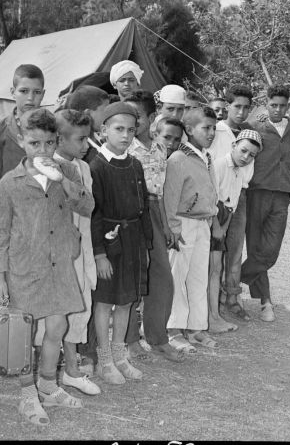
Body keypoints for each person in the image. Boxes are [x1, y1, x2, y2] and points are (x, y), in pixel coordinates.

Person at [0, 108, 86, 425]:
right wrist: (0, 275)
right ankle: (26, 394)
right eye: (35, 143)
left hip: (58, 262)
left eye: (48, 143)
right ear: (22, 142)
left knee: (57, 326)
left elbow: (88, 206)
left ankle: (47, 384)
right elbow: (0, 230)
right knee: (23, 331)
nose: (42, 151)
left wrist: (67, 184)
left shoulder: (68, 171)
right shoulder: (10, 182)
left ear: (56, 141)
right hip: (24, 266)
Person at [89, 102, 153, 384]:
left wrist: (146, 244)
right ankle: (104, 360)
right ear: (104, 131)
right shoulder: (97, 167)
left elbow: (144, 208)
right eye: (118, 129)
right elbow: (94, 214)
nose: (125, 135)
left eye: (130, 130)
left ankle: (120, 355)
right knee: (104, 302)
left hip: (132, 240)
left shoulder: (135, 164)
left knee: (127, 300)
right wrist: (99, 254)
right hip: (108, 242)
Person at [124, 91, 185, 363]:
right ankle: (129, 341)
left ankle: (158, 339)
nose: (131, 122)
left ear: (151, 117)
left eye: (137, 117)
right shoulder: (124, 148)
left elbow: (160, 190)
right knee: (133, 280)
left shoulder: (160, 147)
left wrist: (168, 225)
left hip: (154, 211)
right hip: (131, 211)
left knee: (162, 278)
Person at [240, 84, 290, 322]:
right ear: (266, 102)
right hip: (257, 192)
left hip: (282, 195)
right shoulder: (254, 126)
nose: (277, 110)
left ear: (289, 106)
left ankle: (232, 282)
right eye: (273, 105)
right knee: (256, 248)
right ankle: (265, 301)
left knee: (270, 252)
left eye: (282, 106)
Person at [163, 106, 220, 352]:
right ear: (189, 129)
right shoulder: (178, 159)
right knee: (177, 277)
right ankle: (173, 329)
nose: (211, 133)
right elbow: (170, 196)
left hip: (202, 223)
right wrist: (174, 228)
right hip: (183, 223)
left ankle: (196, 327)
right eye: (206, 128)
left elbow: (211, 191)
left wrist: (212, 219)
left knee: (198, 277)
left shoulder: (206, 157)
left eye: (214, 128)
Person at [53, 109, 102, 394]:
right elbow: (82, 204)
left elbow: (89, 206)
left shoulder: (83, 167)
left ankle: (71, 366)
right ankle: (68, 368)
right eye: (81, 139)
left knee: (80, 303)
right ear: (59, 138)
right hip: (60, 248)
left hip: (82, 245)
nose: (86, 145)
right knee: (65, 307)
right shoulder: (50, 167)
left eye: (89, 138)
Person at [208, 85, 255, 322]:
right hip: (216, 197)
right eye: (237, 106)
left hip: (240, 195)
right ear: (228, 106)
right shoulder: (216, 130)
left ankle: (232, 298)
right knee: (214, 249)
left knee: (235, 250)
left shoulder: (249, 133)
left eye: (247, 107)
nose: (241, 111)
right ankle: (212, 299)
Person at [209, 130, 263, 334]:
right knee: (211, 270)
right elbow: (211, 198)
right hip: (213, 217)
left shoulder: (240, 171)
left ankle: (214, 315)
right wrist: (217, 227)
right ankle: (208, 317)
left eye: (252, 155)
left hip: (224, 218)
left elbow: (232, 202)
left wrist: (224, 227)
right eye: (243, 151)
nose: (246, 157)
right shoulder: (219, 165)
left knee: (216, 270)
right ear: (233, 146)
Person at [0, 64, 45, 189]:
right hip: (10, 199)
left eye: (37, 92)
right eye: (24, 91)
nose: (30, 98)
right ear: (13, 92)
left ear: (43, 94)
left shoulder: (52, 127)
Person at [58, 85, 109, 164]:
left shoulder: (102, 139)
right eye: (105, 111)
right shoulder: (80, 151)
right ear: (88, 114)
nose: (108, 116)